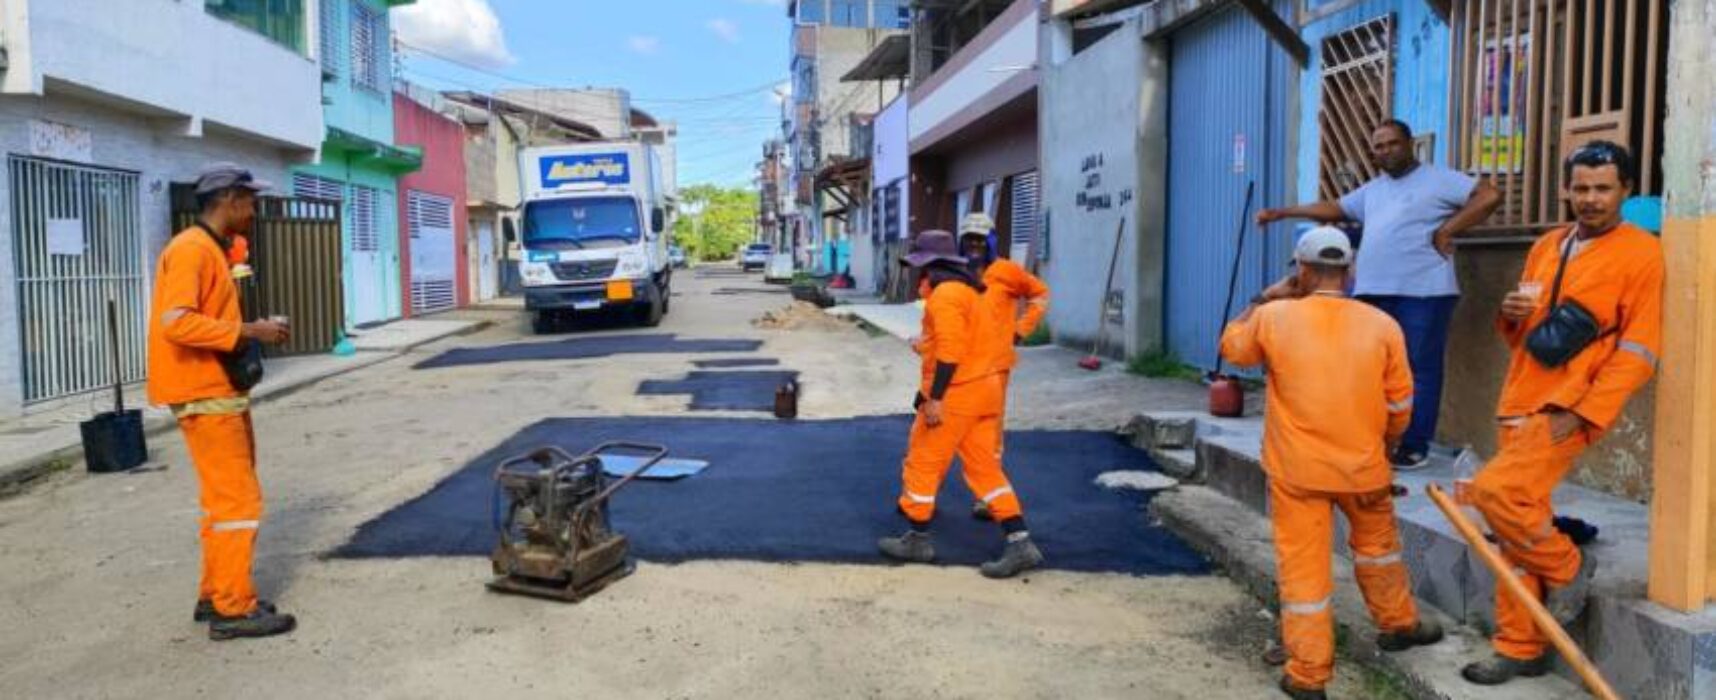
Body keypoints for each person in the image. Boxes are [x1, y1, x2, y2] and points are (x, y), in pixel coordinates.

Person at [1460, 141, 1662, 686]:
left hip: (1562, 409)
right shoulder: (1550, 244)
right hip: (1518, 397)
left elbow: (1639, 351)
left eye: (1602, 188)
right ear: (1566, 189)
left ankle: (1570, 567)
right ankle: (1519, 645)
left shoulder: (1642, 253)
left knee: (1493, 494)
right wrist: (1508, 314)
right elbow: (1525, 333)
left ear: (1625, 191)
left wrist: (1583, 412)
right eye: (1581, 188)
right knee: (1516, 526)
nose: (1590, 198)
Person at [1220, 227, 1444, 699]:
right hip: (1364, 468)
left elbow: (1232, 349)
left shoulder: (1275, 317)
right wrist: (1386, 445)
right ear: (1350, 271)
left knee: (1305, 571)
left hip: (1298, 472)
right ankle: (1400, 624)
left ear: (1300, 270)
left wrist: (1263, 297)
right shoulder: (1382, 324)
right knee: (1378, 550)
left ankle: (1308, 675)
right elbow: (1402, 404)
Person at [1257, 119, 1503, 470]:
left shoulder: (1440, 179)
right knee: (1368, 369)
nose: (1385, 151)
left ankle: (1414, 446)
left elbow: (1490, 195)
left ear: (1409, 144)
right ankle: (1375, 437)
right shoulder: (1374, 190)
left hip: (1423, 293)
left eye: (1392, 143)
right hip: (1373, 292)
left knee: (1420, 369)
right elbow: (1337, 209)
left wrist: (1448, 229)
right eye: (1379, 146)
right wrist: (1283, 212)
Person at [147, 163, 296, 641]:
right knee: (238, 502)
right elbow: (177, 322)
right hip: (204, 391)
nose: (254, 210)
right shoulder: (192, 250)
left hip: (212, 390)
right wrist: (249, 331)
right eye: (250, 201)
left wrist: (246, 328)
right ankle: (233, 608)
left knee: (221, 503)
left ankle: (216, 595)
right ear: (229, 199)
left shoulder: (207, 248)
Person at [879, 230, 1043, 579]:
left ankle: (917, 539)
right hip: (987, 389)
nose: (916, 275)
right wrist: (925, 345)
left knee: (923, 460)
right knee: (985, 468)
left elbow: (952, 354)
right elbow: (960, 343)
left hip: (958, 393)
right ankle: (1020, 542)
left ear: (930, 266)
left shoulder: (945, 296)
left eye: (918, 266)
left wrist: (934, 398)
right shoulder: (970, 291)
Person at [955, 213, 1049, 522]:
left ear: (991, 241)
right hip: (958, 365)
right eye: (969, 238)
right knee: (956, 429)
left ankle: (987, 495)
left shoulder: (1007, 272)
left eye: (980, 239)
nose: (974, 244)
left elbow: (1040, 294)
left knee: (988, 430)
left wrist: (1021, 329)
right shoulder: (956, 272)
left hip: (994, 367)